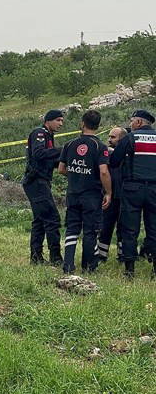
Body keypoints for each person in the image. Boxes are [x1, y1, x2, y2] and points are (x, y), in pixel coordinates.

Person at [57, 110, 112, 274]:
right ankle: (89, 268)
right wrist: (108, 192)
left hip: (73, 194)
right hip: (92, 195)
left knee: (72, 229)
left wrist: (76, 175)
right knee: (90, 230)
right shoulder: (100, 147)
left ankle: (68, 265)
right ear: (98, 125)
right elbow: (103, 172)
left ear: (82, 123)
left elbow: (61, 169)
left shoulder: (69, 144)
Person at [109, 109, 156, 279]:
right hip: (154, 190)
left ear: (138, 122)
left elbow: (114, 161)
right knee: (154, 228)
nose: (130, 124)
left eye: (132, 121)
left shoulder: (130, 138)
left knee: (129, 229)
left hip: (132, 189)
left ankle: (129, 271)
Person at [22, 109, 65, 266]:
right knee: (52, 218)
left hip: (42, 181)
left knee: (40, 220)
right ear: (48, 121)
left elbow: (48, 160)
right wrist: (63, 150)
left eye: (62, 120)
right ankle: (56, 258)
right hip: (36, 181)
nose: (61, 124)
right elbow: (39, 154)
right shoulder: (39, 133)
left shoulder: (49, 135)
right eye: (58, 120)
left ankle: (36, 257)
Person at [97, 126, 128, 263]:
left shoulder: (128, 153)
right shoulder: (106, 153)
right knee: (105, 226)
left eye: (113, 137)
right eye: (109, 136)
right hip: (109, 196)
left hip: (125, 196)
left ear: (122, 139)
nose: (109, 139)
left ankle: (123, 255)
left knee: (124, 227)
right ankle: (101, 255)